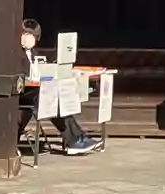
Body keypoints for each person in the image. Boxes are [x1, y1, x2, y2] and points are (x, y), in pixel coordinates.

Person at [20, 19, 103, 156]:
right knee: (53, 101)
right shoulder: (15, 53)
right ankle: (76, 140)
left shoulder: (34, 53)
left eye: (31, 36)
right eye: (25, 35)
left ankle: (77, 139)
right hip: (24, 93)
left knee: (58, 100)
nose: (27, 39)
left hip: (36, 91)